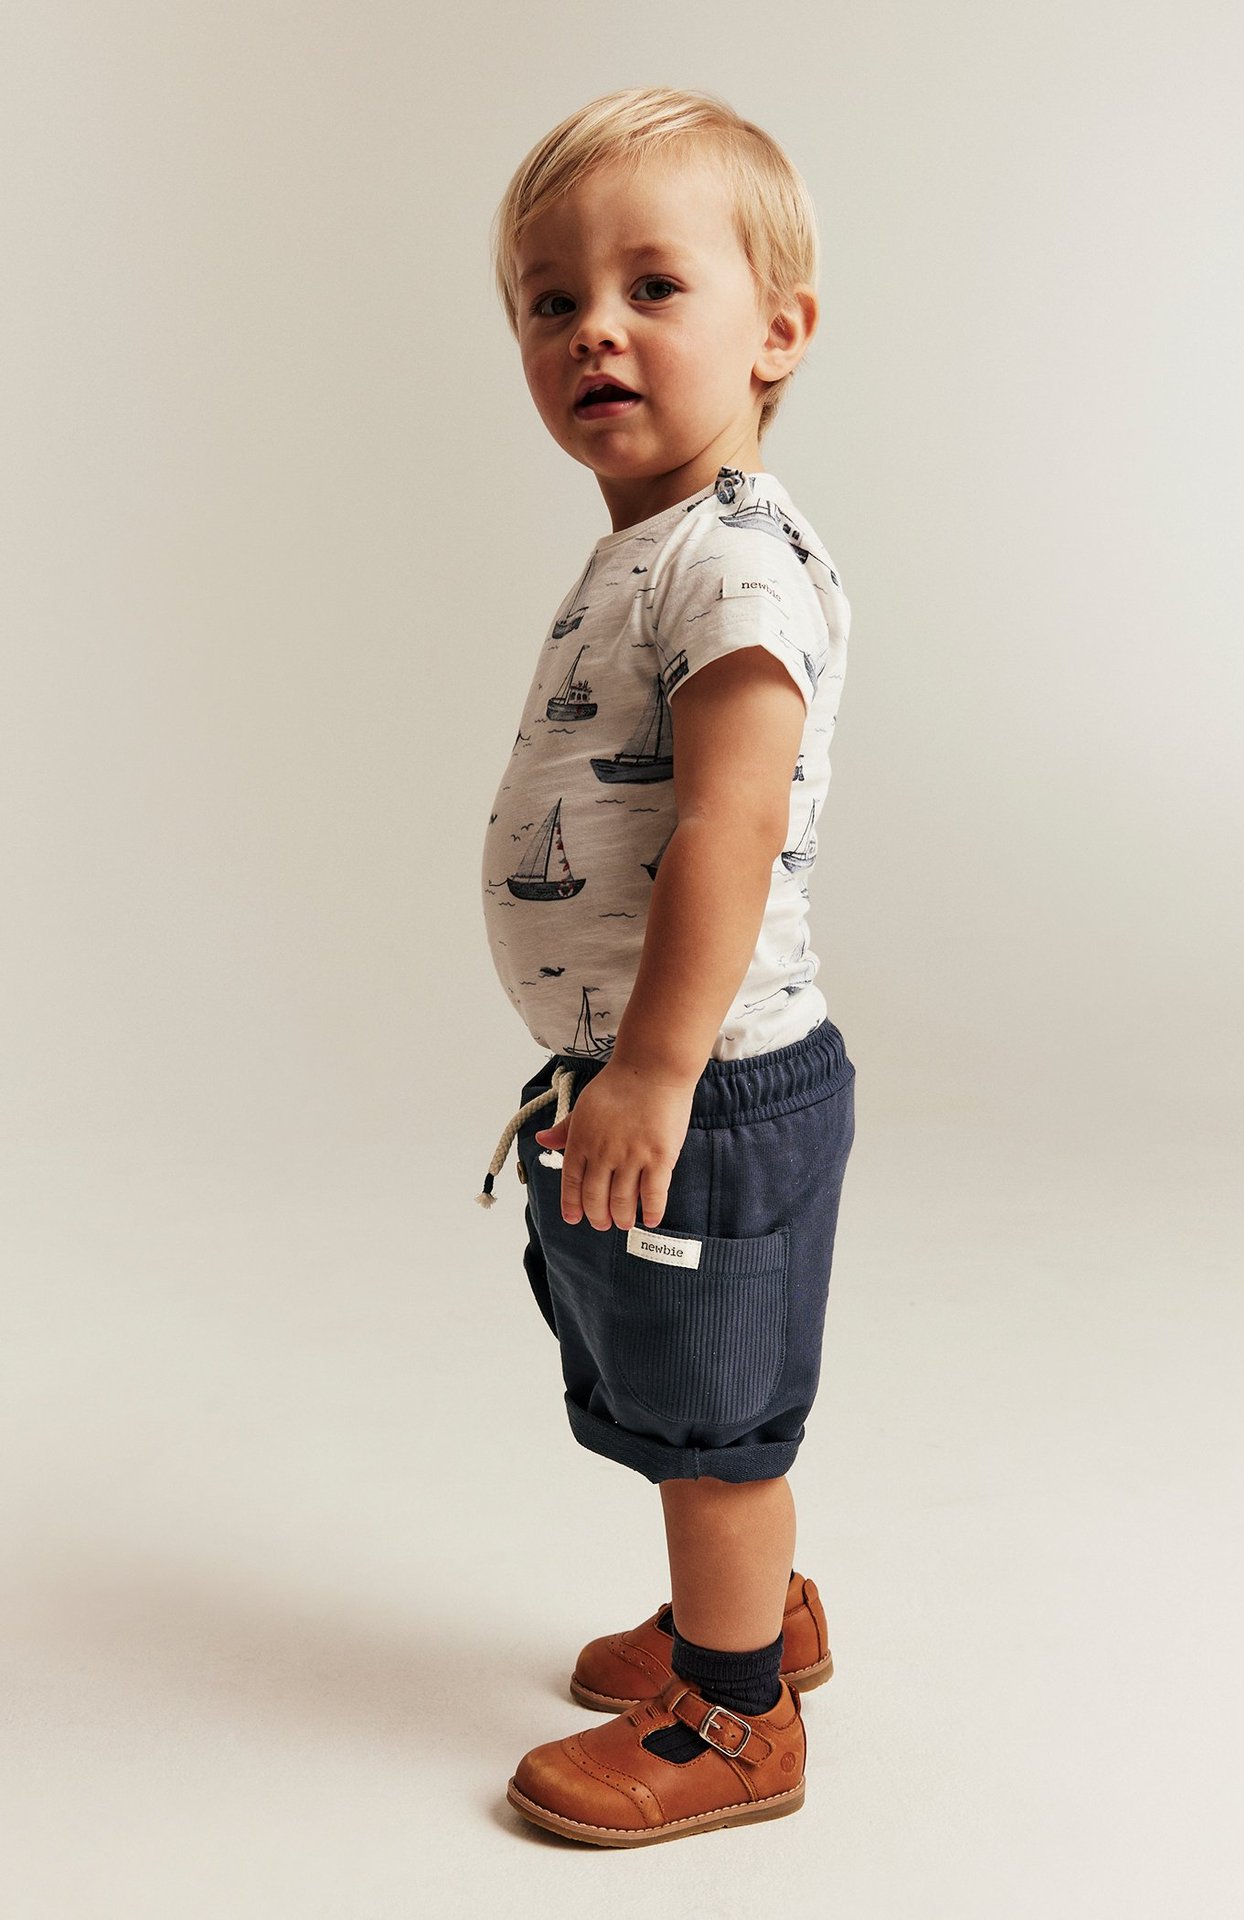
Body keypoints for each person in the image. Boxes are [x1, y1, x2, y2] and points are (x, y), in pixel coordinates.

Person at [476, 85, 856, 1847]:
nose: (593, 330)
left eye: (651, 286)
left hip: (703, 1081)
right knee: (668, 1369)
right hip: (647, 1076)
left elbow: (724, 826)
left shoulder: (735, 562)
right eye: (554, 302)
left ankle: (737, 1719)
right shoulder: (652, 545)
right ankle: (752, 1614)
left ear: (777, 329)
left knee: (716, 1422)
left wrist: (651, 1068)